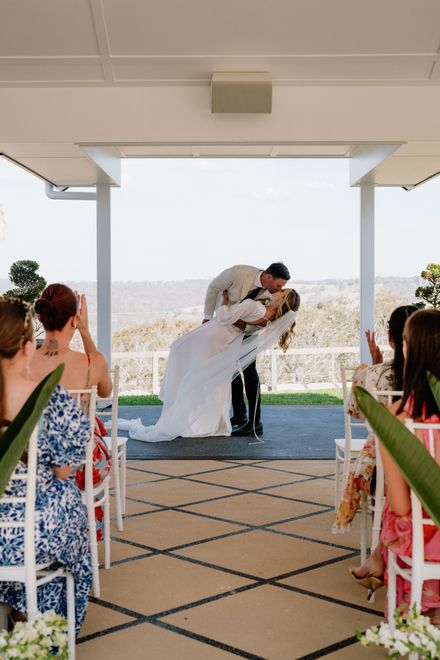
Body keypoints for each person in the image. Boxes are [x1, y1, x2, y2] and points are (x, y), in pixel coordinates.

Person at [0, 296, 92, 634]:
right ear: (27, 347)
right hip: (32, 533)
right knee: (70, 512)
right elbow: (64, 471)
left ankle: (15, 609)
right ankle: (40, 626)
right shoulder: (47, 397)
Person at [351, 309, 440, 624]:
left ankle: (423, 618)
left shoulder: (396, 418)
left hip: (426, 540)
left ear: (406, 349)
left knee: (394, 515)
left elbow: (402, 507)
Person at [123, 288, 300, 443]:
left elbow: (224, 316)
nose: (279, 290)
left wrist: (223, 302)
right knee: (212, 380)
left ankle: (188, 414)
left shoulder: (257, 307)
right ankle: (210, 422)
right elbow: (244, 326)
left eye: (283, 291)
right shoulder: (268, 318)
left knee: (182, 355)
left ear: (282, 299)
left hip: (215, 336)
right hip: (226, 341)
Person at [31, 283, 112, 540]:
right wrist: (86, 332)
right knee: (95, 429)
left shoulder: (23, 364)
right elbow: (105, 391)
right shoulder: (92, 362)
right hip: (82, 466)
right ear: (74, 318)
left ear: (40, 317)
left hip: (33, 463)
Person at [333, 305, 417, 534]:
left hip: (380, 464)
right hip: (424, 461)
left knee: (374, 459)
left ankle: (382, 540)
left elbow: (354, 410)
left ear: (390, 337)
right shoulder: (431, 381)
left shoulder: (371, 374)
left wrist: (374, 365)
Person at [203, 262, 291, 436]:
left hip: (249, 332)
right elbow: (214, 288)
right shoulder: (239, 273)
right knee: (230, 372)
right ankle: (239, 415)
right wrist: (207, 317)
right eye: (278, 285)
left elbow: (268, 318)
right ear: (267, 277)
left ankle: (254, 422)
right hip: (226, 329)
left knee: (249, 372)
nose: (278, 290)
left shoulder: (273, 295)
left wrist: (245, 326)